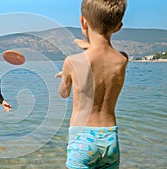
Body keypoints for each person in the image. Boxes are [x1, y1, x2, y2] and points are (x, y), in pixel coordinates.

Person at [55, 0, 128, 168]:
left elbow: (64, 93)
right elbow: (102, 55)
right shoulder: (122, 60)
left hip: (83, 136)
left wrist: (65, 75)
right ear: (118, 27)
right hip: (110, 137)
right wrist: (87, 46)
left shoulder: (72, 62)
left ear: (83, 21)